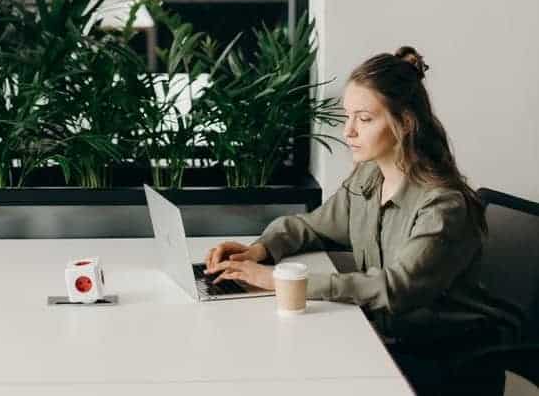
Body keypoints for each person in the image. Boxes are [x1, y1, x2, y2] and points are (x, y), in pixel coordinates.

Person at [204, 47, 521, 396]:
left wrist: (280, 282)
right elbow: (313, 226)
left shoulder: (443, 206)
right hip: (391, 341)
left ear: (404, 123)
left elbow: (393, 289)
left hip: (449, 360)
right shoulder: (368, 178)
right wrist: (260, 251)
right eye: (347, 116)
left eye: (365, 119)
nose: (349, 131)